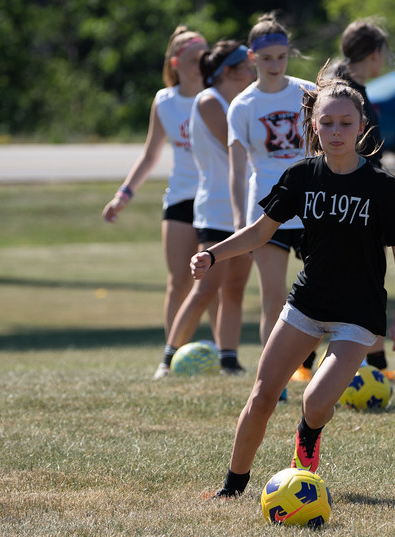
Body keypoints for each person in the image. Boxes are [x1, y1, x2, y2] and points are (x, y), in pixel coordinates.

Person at [191, 73, 395, 498]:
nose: (336, 131)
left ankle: (307, 437)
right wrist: (213, 253)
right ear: (312, 126)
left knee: (315, 403)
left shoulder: (383, 187)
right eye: (327, 122)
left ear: (362, 126)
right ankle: (232, 488)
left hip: (358, 314)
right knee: (261, 397)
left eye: (346, 123)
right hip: (308, 303)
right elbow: (260, 232)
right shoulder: (300, 176)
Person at [292, 18, 395, 384]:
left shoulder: (347, 87)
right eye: (383, 53)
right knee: (341, 283)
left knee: (354, 284)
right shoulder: (349, 93)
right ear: (374, 53)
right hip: (349, 205)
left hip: (354, 203)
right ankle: (306, 362)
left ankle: (370, 364)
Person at [102, 27, 212, 344]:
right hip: (180, 198)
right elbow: (150, 155)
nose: (200, 65)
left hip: (215, 198)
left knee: (212, 283)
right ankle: (172, 353)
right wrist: (123, 196)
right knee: (178, 282)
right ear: (175, 62)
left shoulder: (219, 95)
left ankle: (225, 353)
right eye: (193, 59)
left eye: (205, 58)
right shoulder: (165, 101)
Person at [154, 40, 257, 379]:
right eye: (247, 66)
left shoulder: (239, 101)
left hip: (243, 205)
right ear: (228, 71)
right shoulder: (210, 100)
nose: (253, 71)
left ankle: (229, 359)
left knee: (235, 287)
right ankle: (167, 361)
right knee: (205, 288)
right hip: (217, 208)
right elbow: (242, 149)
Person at [226, 13, 315, 369]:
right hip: (266, 212)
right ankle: (273, 381)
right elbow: (237, 171)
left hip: (312, 208)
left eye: (281, 56)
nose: (275, 64)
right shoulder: (243, 106)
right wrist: (238, 224)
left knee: (326, 295)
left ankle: (319, 370)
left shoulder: (309, 92)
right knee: (273, 300)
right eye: (267, 58)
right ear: (252, 58)